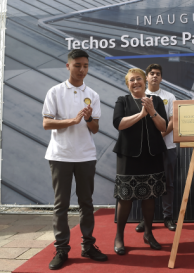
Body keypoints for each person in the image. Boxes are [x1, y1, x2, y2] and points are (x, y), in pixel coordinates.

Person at [42, 49, 108, 270]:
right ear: (68, 66)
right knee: (61, 204)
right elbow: (46, 123)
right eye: (78, 65)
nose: (82, 70)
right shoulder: (55, 91)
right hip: (60, 155)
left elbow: (95, 129)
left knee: (86, 203)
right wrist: (71, 121)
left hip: (86, 156)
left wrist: (88, 118)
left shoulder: (93, 95)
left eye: (86, 66)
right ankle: (62, 249)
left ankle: (88, 246)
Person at [112, 68, 168, 255]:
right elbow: (119, 124)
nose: (136, 82)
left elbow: (163, 126)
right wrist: (141, 115)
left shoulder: (156, 101)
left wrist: (151, 111)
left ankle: (149, 234)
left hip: (151, 155)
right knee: (125, 197)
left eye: (139, 79)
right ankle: (119, 236)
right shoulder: (123, 101)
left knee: (149, 197)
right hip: (128, 156)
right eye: (132, 80)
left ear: (145, 82)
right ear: (127, 84)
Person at [135, 64, 177, 233]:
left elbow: (173, 121)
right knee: (145, 183)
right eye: (151, 74)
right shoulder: (138, 96)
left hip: (167, 146)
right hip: (144, 149)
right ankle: (145, 220)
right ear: (146, 77)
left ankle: (168, 217)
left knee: (168, 183)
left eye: (158, 74)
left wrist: (159, 135)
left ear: (161, 78)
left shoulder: (169, 96)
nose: (154, 76)